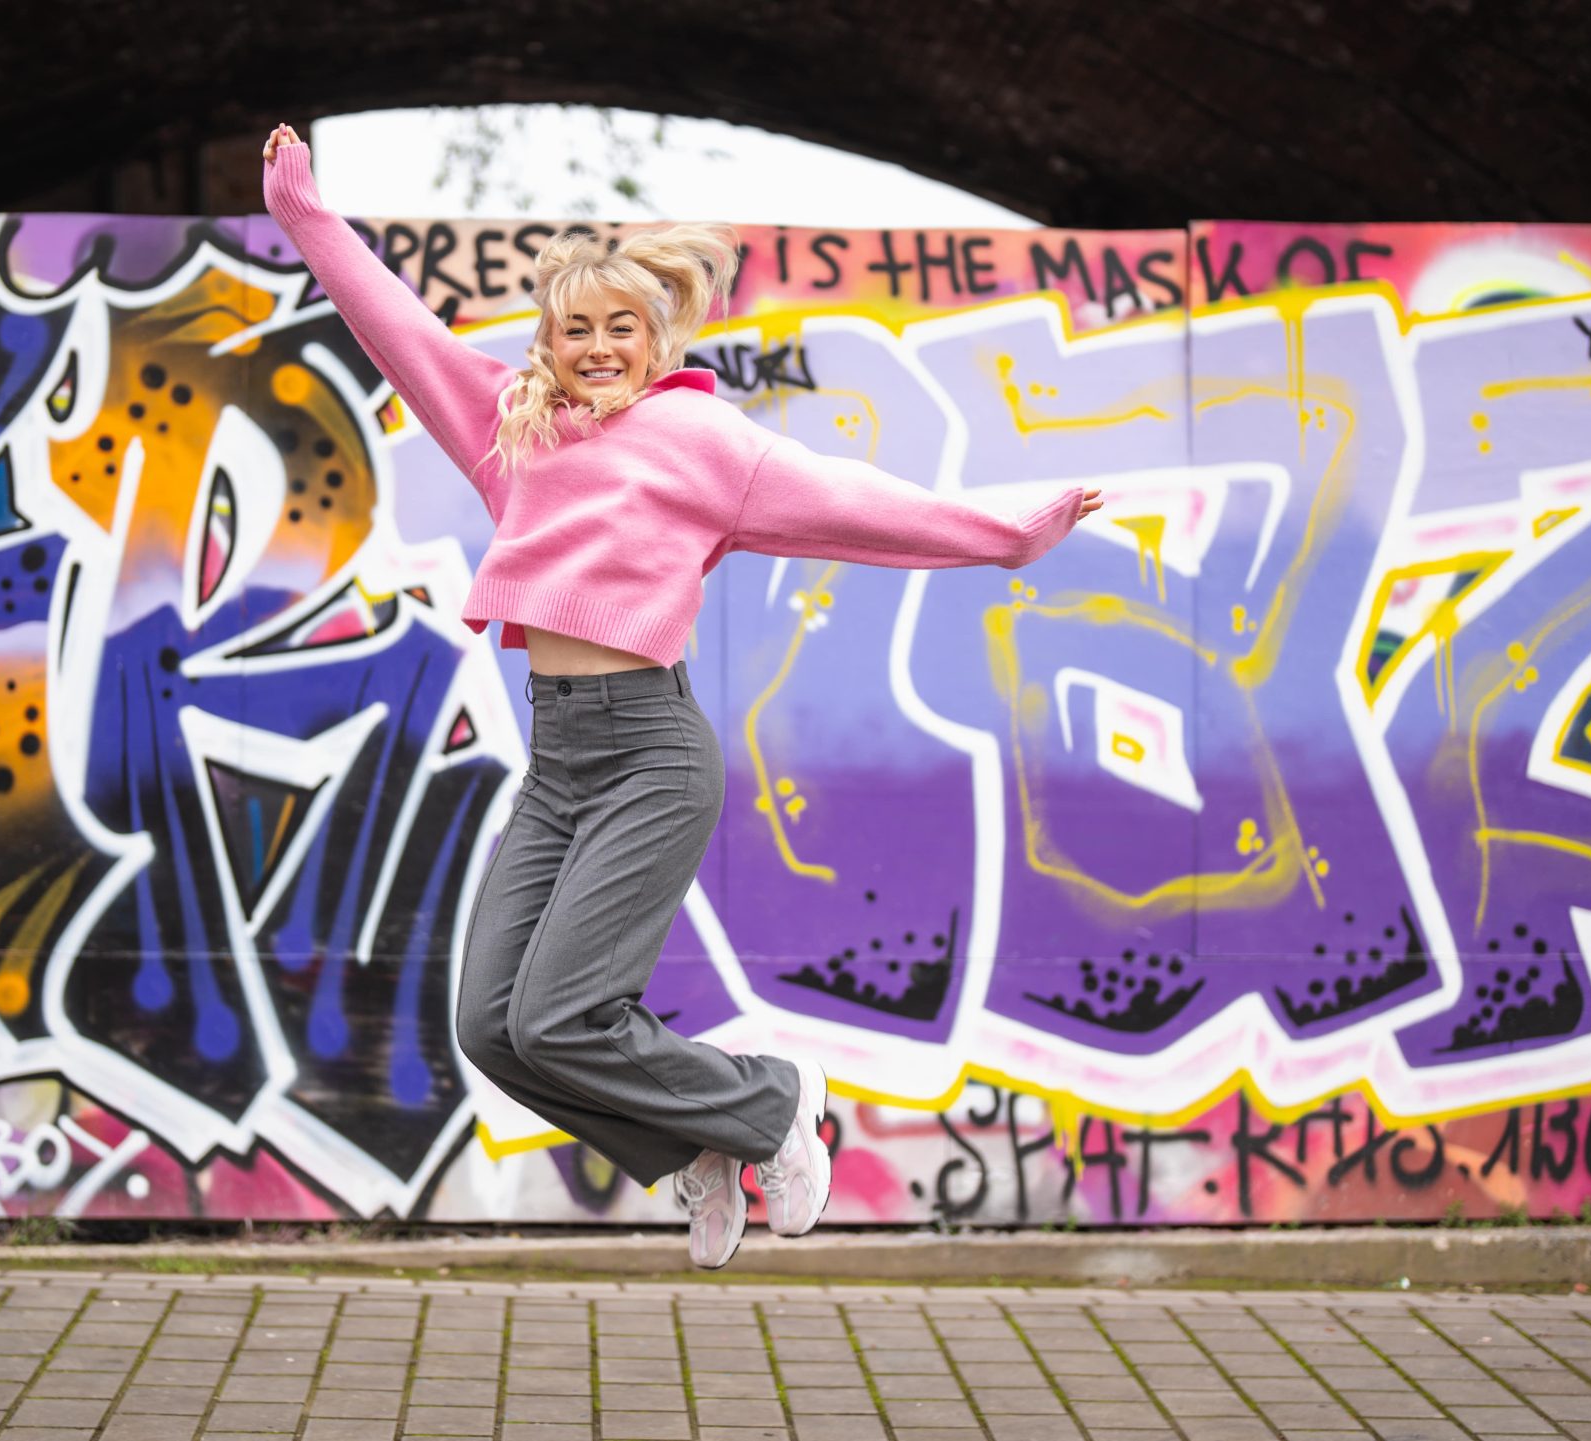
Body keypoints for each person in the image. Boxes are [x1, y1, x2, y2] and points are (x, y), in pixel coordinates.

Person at [261, 123, 1103, 1267]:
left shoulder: (701, 439)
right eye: (578, 331)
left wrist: (1006, 537)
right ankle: (702, 1149)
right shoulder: (515, 429)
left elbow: (857, 502)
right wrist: (307, 214)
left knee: (560, 1013)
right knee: (493, 1030)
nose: (600, 347)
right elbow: (397, 327)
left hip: (650, 754)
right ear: (549, 344)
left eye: (623, 329)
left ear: (657, 341)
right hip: (557, 762)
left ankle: (766, 1104)